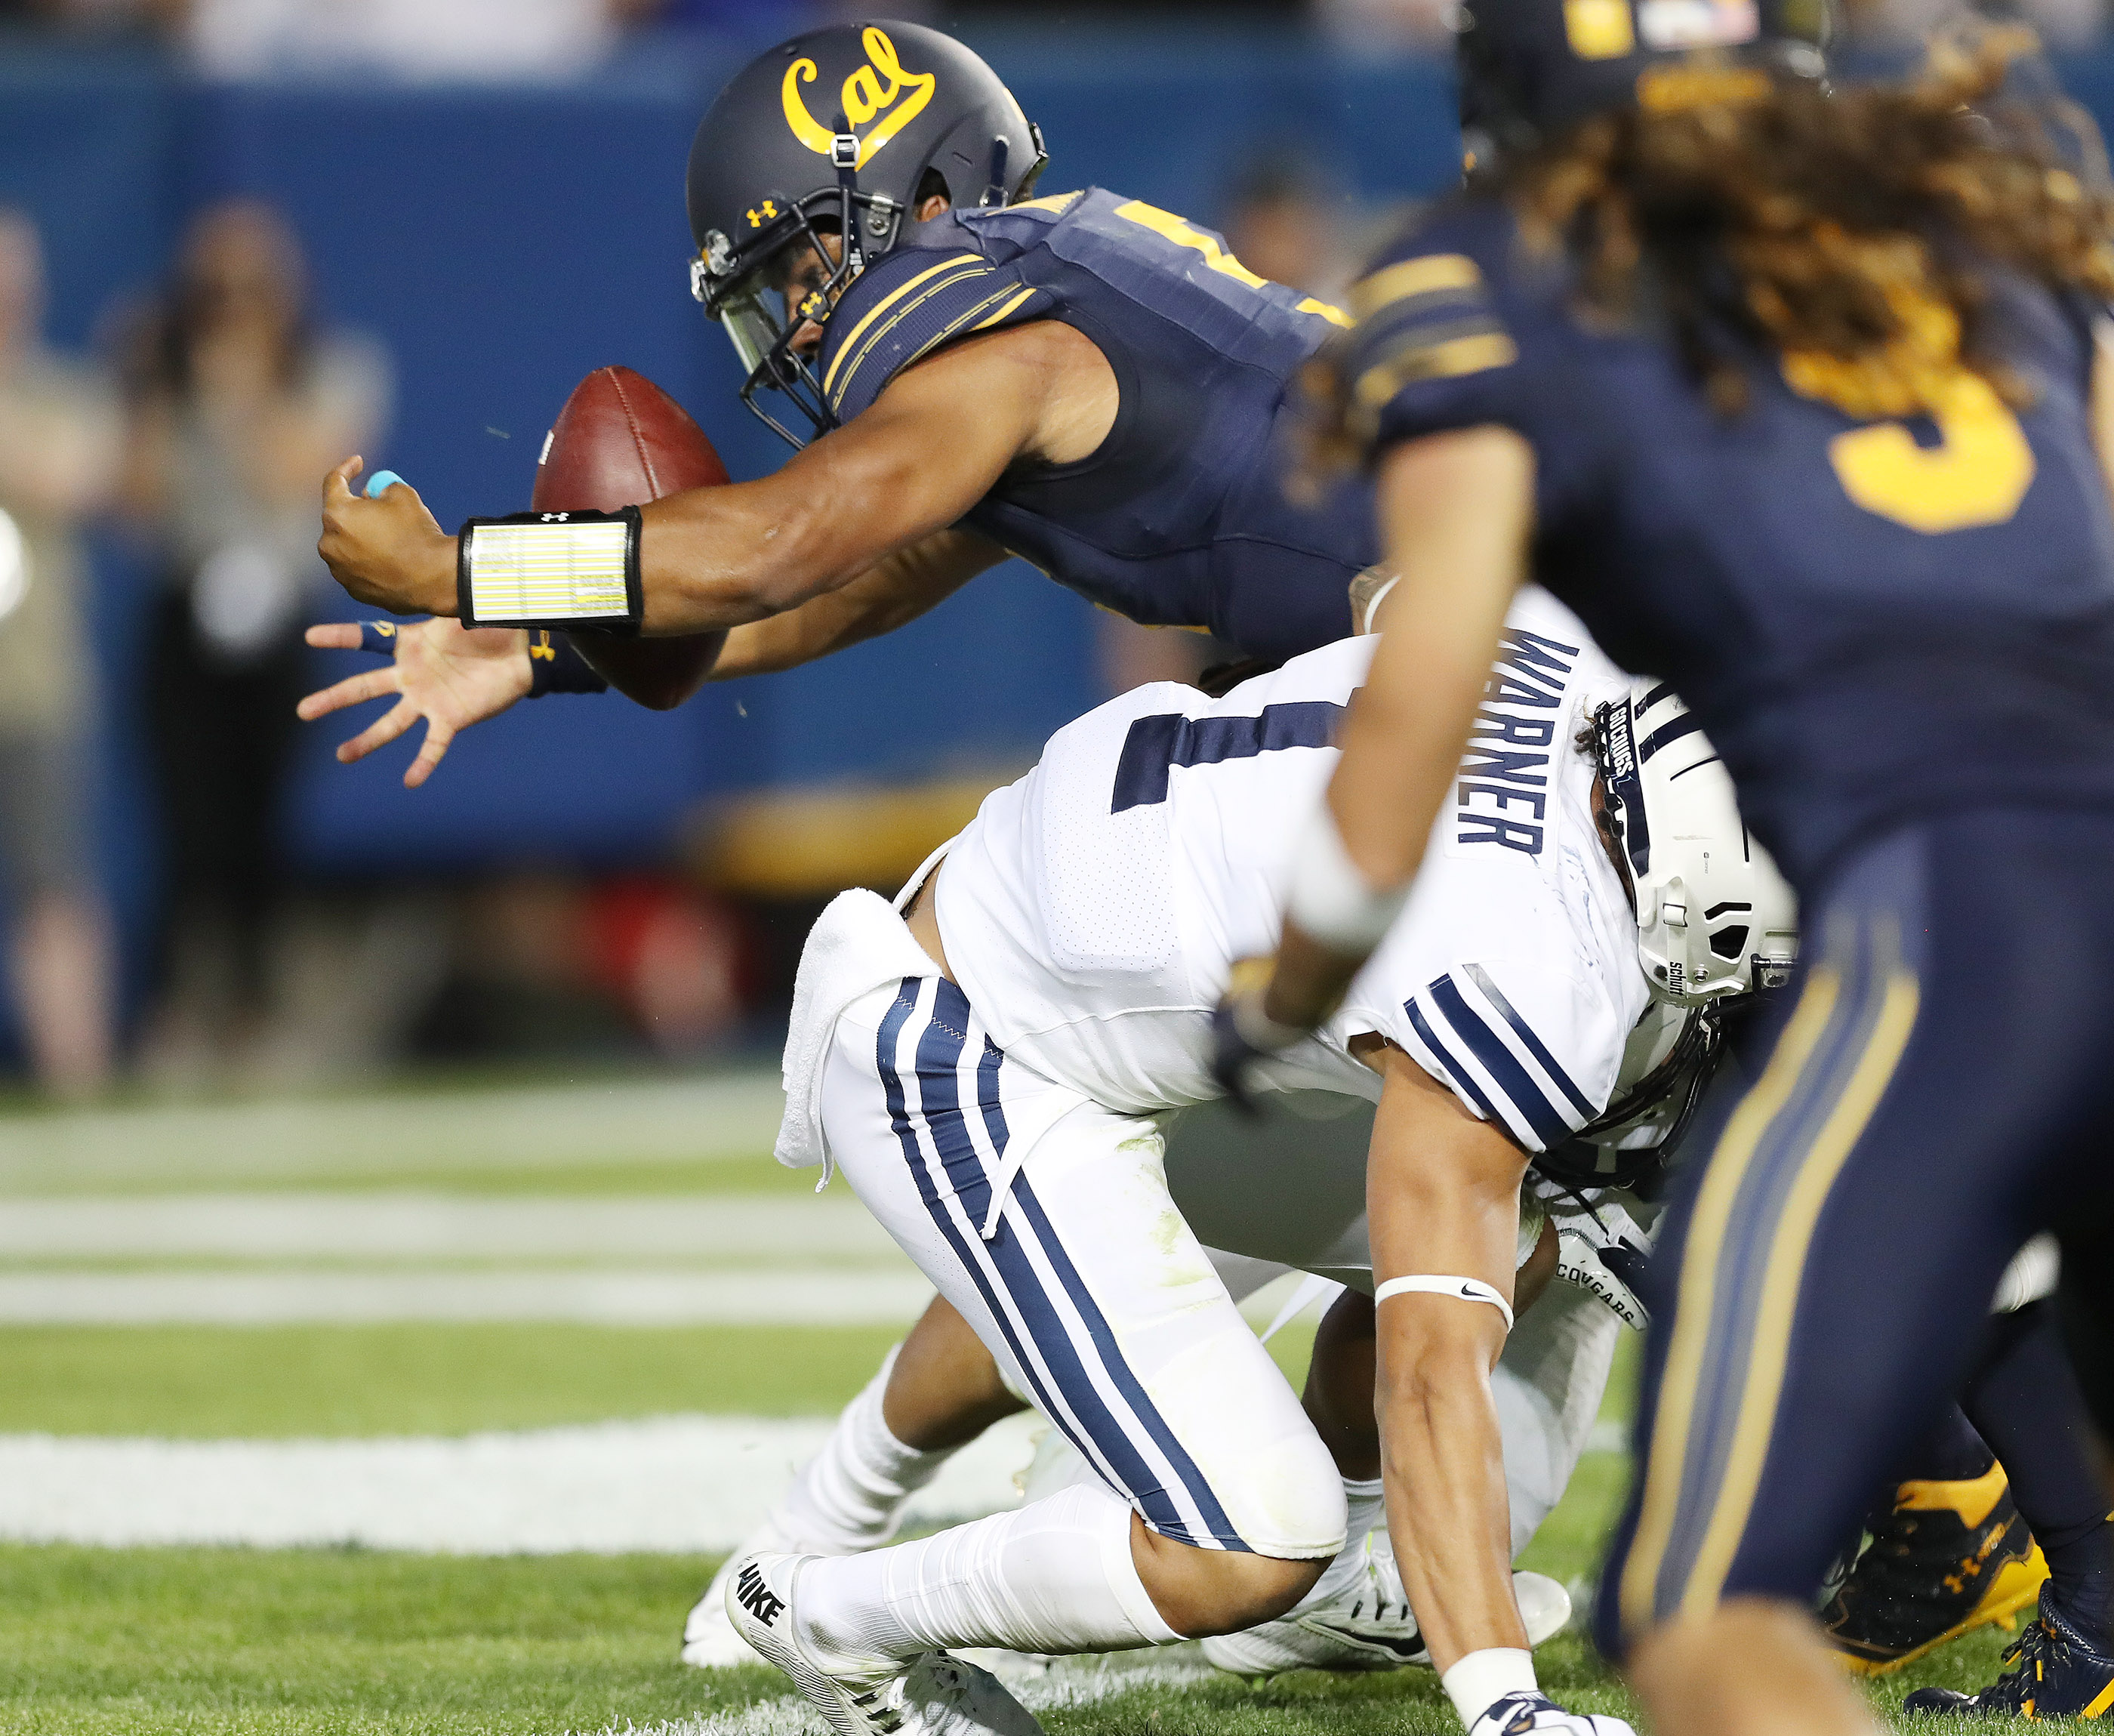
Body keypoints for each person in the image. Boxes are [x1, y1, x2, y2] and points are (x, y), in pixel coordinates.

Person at [1210, 5, 2114, 1732]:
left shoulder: (1487, 285)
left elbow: (1425, 701)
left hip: (1955, 924)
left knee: (1701, 1617)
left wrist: (1294, 980)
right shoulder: (1987, 228)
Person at [711, 587, 1788, 1736]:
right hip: (967, 1042)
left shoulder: (1571, 638)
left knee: (1541, 1214)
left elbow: (1381, 583)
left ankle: (1326, 1583)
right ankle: (821, 1604)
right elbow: (1428, 1371)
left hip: (1120, 944)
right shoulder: (1524, 966)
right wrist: (1504, 1701)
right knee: (1251, 1533)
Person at [301, 20, 1378, 789]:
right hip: (1472, 631)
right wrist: (542, 643)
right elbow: (846, 587)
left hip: (1487, 641)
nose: (804, 327)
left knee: (1006, 901)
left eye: (804, 274)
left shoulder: (1000, 344)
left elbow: (778, 546)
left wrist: (456, 569)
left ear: (929, 200)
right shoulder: (1053, 299)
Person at [118, 199, 389, 1080]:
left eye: (250, 289)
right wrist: (162, 386)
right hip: (186, 611)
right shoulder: (167, 377)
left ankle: (260, 1015)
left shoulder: (333, 368)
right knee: (189, 826)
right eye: (215, 290)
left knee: (265, 825)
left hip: (279, 619)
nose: (232, 307)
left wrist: (241, 390)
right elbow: (140, 497)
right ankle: (182, 1014)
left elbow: (297, 471)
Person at [0, 207, 120, 1097]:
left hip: (37, 685)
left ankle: (78, 1081)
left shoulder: (63, 388)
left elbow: (75, 474)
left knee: (55, 887)